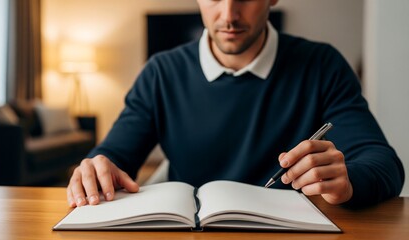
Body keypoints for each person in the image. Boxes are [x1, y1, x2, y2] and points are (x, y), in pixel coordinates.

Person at [67, 0, 405, 209]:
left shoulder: (322, 65)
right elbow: (112, 157)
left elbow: (384, 165)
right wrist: (95, 168)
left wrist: (346, 182)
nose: (228, 14)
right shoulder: (161, 72)